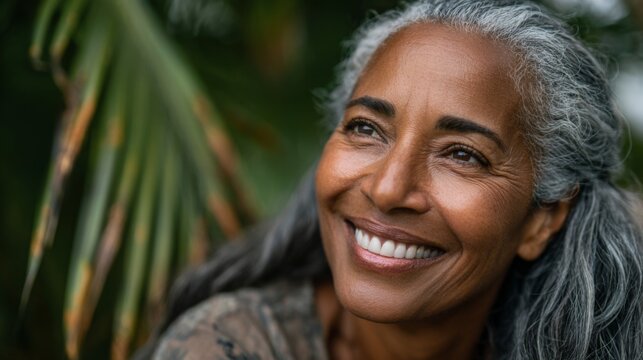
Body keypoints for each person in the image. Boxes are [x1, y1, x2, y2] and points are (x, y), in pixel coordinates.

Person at [139, 0, 643, 359]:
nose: (386, 189)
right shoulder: (225, 344)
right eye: (366, 128)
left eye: (463, 155)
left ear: (542, 220)